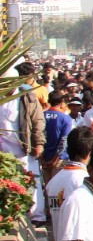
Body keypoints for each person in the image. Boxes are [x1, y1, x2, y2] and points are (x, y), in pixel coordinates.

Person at [1, 62, 46, 223]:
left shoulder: (27, 97)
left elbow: (38, 121)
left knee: (32, 181)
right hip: (4, 151)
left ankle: (36, 216)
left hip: (24, 149)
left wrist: (39, 143)